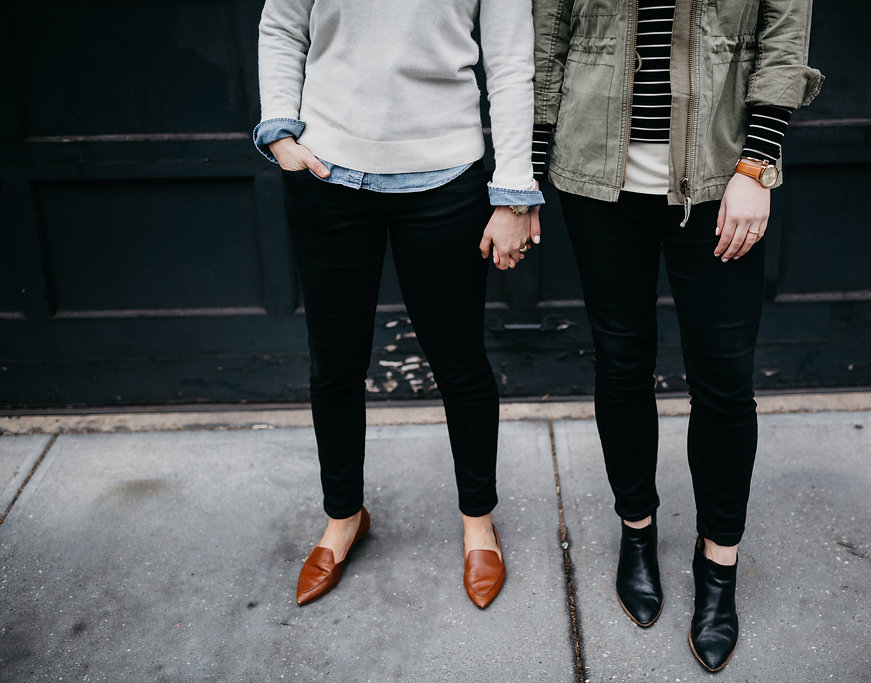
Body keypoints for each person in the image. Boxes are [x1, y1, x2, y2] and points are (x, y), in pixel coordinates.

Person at [533, 0, 822, 671]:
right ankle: (637, 528)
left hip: (724, 175)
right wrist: (531, 166)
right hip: (596, 177)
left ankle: (719, 563)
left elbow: (784, 33)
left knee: (723, 379)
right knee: (621, 361)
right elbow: (550, 34)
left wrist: (757, 165)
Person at [255, 0, 544, 609]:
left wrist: (514, 191)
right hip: (328, 174)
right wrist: (280, 131)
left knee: (460, 364)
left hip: (444, 177)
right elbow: (282, 24)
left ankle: (477, 521)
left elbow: (514, 60)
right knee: (334, 366)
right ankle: (343, 517)